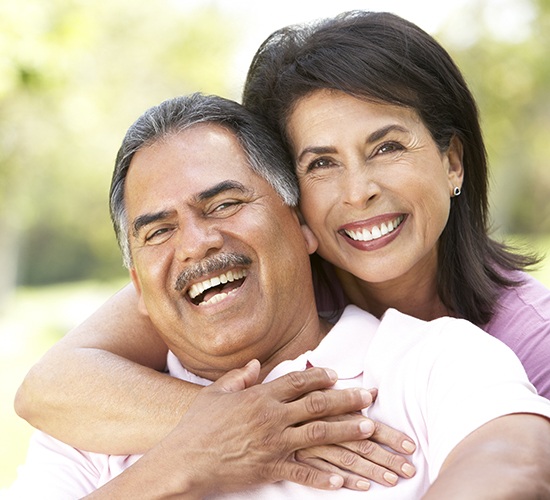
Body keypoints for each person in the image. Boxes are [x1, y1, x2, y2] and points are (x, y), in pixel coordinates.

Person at [15, 8, 550, 487]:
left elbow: (517, 460)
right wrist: (225, 432)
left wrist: (273, 425)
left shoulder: (472, 352)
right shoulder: (102, 417)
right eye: (320, 163)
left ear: (451, 162)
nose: (358, 190)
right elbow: (48, 386)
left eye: (386, 147)